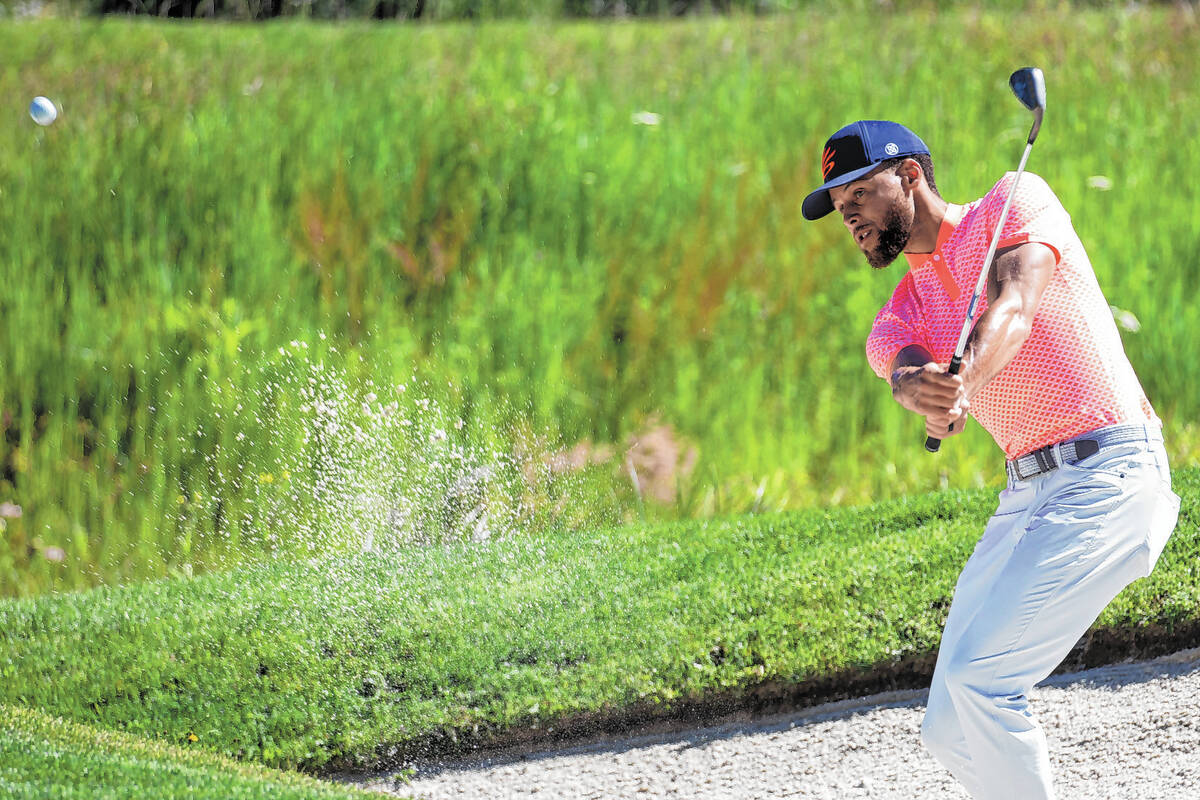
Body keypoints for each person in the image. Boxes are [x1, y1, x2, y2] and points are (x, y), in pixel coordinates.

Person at [801, 119, 1181, 799]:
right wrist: (927, 392)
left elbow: (1015, 305)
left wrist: (966, 379)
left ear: (910, 176)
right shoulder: (898, 316)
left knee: (982, 681)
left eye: (857, 194)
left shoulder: (1015, 200)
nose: (848, 217)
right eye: (838, 207)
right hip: (1028, 498)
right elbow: (904, 370)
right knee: (947, 724)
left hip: (1113, 476)